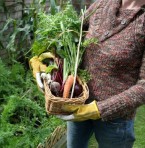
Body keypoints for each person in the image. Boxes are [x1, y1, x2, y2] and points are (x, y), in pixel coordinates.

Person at [30, 0, 145, 147]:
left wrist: (98, 109)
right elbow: (70, 33)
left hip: (116, 118)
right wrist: (45, 56)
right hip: (78, 101)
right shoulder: (103, 3)